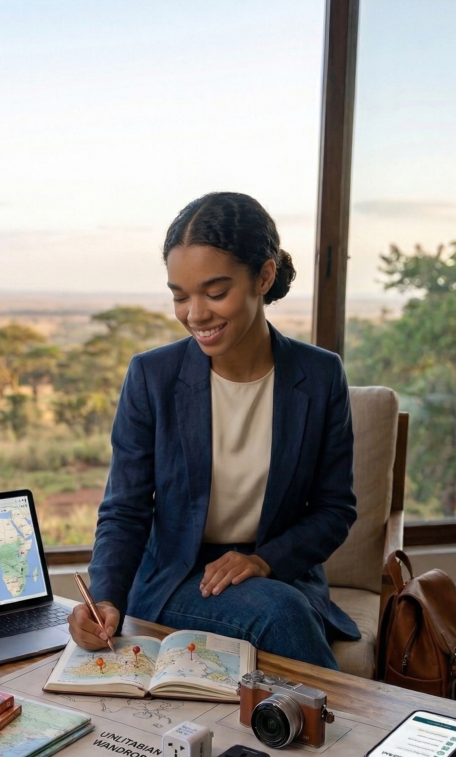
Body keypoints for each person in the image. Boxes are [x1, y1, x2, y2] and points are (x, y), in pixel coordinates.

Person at [68, 191, 360, 670]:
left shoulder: (320, 375)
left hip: (277, 571)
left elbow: (334, 509)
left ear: (263, 276)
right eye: (180, 296)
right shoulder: (152, 376)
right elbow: (126, 509)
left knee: (280, 605)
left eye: (215, 292)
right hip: (178, 576)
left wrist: (264, 561)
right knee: (280, 614)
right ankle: (352, 731)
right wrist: (106, 599)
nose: (195, 314)